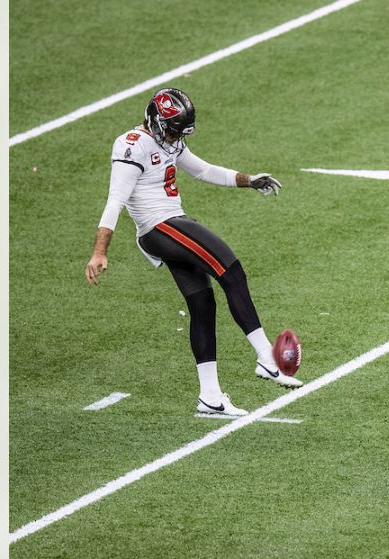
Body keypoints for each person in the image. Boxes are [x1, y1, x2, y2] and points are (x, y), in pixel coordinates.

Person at [85, 88, 300, 417]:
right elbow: (115, 200)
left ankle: (210, 397)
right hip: (159, 226)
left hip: (173, 223)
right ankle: (266, 358)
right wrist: (100, 251)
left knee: (203, 305)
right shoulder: (131, 144)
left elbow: (203, 170)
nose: (174, 137)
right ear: (155, 121)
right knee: (231, 270)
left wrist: (249, 180)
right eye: (171, 129)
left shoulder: (168, 139)